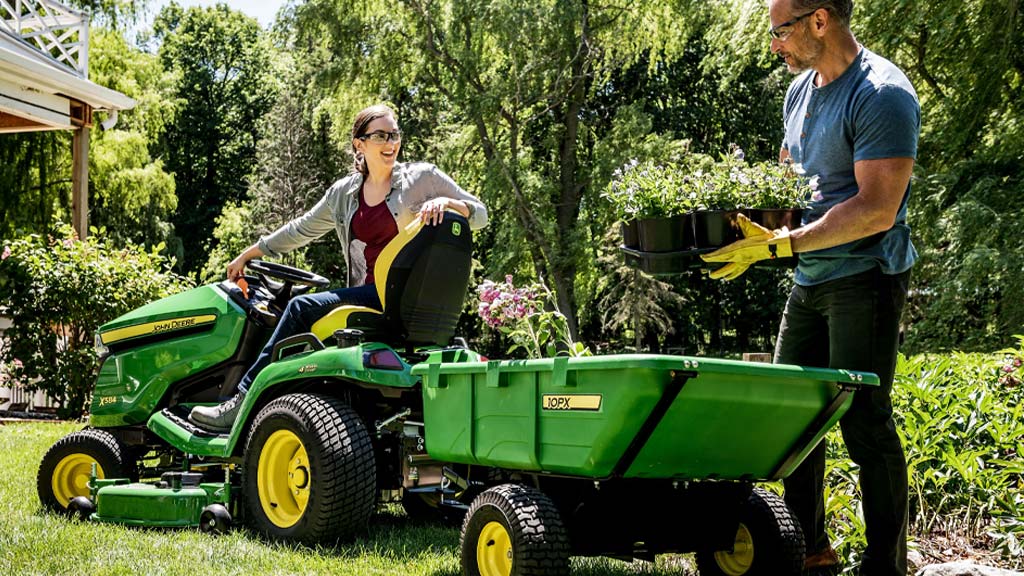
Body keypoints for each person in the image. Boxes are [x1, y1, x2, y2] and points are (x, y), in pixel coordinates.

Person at [701, 1, 920, 574]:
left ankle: (885, 565)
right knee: (792, 418)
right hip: (810, 278)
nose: (775, 46)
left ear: (820, 21)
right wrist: (749, 227)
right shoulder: (798, 93)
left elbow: (876, 209)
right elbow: (790, 182)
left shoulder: (882, 94)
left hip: (865, 277)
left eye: (781, 32)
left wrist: (781, 245)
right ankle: (810, 553)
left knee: (865, 420)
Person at [190, 103, 488, 431]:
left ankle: (241, 400)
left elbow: (481, 213)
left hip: (397, 297)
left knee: (300, 307)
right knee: (309, 311)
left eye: (394, 134)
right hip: (370, 295)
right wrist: (250, 253)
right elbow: (300, 230)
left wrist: (448, 203)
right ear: (359, 144)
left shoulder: (423, 179)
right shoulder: (343, 194)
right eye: (380, 136)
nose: (391, 143)